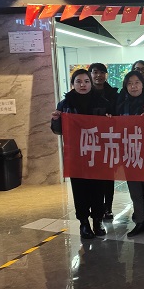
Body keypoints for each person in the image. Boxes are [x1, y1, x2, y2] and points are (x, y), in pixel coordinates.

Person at [51, 69, 112, 239]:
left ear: (90, 83)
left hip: (97, 153)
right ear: (73, 84)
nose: (83, 85)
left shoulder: (103, 102)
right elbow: (58, 130)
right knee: (80, 189)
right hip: (76, 155)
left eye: (86, 81)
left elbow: (111, 128)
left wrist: (109, 119)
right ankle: (84, 223)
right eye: (78, 81)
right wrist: (55, 120)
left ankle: (97, 220)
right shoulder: (64, 104)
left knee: (98, 188)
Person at [116, 70, 144, 238]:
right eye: (129, 83)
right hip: (130, 154)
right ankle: (140, 222)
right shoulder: (121, 106)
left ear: (143, 85)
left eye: (137, 83)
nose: (133, 86)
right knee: (135, 191)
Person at [88, 63, 118, 220]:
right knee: (93, 177)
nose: (98, 75)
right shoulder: (84, 94)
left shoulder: (113, 94)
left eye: (102, 72)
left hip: (108, 141)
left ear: (106, 75)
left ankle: (108, 207)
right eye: (95, 72)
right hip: (89, 141)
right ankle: (95, 207)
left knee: (108, 176)